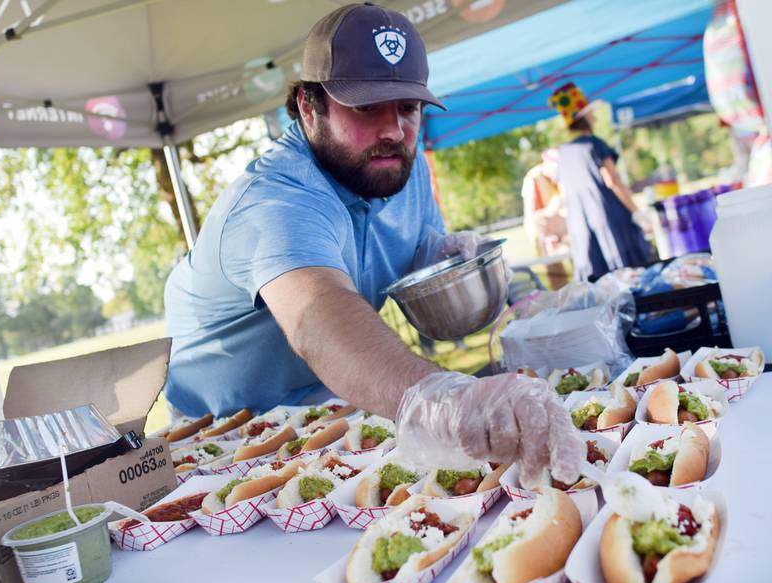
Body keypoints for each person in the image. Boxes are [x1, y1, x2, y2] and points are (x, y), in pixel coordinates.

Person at [163, 3, 582, 485]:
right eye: (365, 108)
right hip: (225, 442)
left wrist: (456, 265)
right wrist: (445, 396)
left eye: (407, 108)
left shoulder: (402, 164)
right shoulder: (275, 201)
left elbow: (417, 267)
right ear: (308, 107)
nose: (392, 132)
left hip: (336, 412)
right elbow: (319, 315)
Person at [549, 82, 652, 281]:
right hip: (611, 220)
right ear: (585, 118)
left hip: (581, 228)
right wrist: (637, 212)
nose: (594, 117)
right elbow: (612, 180)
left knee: (600, 286)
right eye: (591, 114)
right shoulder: (594, 144)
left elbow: (562, 194)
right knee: (630, 279)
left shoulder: (562, 154)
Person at [520, 148, 569, 289]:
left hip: (564, 229)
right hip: (545, 233)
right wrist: (550, 211)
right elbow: (531, 214)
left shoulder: (560, 175)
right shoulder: (533, 178)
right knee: (557, 275)